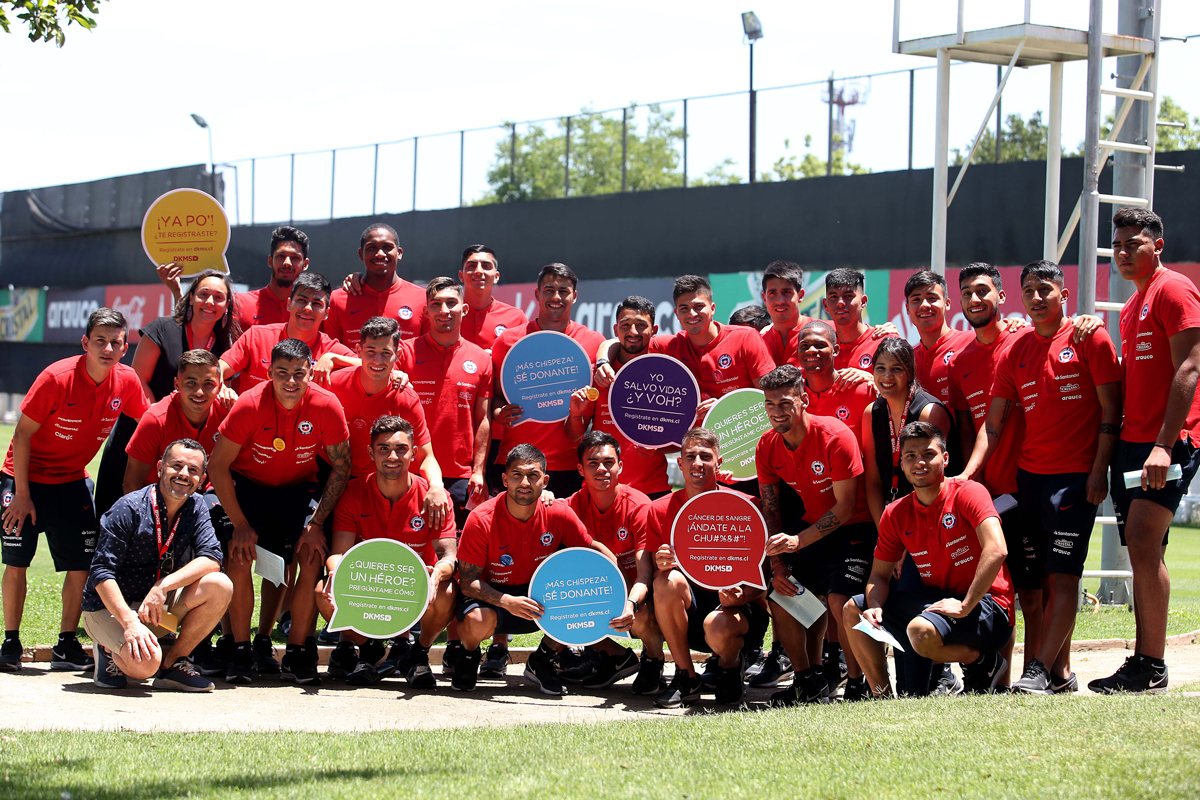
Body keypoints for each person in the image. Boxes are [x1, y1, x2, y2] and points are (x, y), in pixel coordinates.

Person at [965, 260, 1122, 695]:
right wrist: (968, 472)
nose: (1037, 297)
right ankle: (1058, 674)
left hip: (1075, 480)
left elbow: (1113, 410)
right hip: (1027, 482)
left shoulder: (1090, 337)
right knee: (1040, 583)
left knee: (1065, 576)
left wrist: (1098, 472)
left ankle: (1037, 670)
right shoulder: (1016, 350)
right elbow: (992, 425)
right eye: (1029, 290)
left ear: (1064, 294)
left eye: (1046, 289)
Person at [0, 308, 151, 672]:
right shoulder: (56, 377)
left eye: (116, 342)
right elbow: (21, 435)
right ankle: (10, 642)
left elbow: (149, 423)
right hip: (24, 480)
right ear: (86, 343)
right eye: (100, 340)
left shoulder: (126, 381)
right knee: (17, 561)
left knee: (82, 564)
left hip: (72, 480)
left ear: (125, 346)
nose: (108, 348)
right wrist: (21, 495)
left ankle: (66, 644)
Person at [1091, 208, 1200, 694]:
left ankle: (1150, 664)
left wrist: (1163, 446)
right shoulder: (1135, 304)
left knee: (1140, 536)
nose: (1122, 252)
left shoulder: (1173, 289)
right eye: (1117, 245)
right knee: (1143, 546)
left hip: (1169, 442)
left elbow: (1191, 369)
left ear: (1157, 244)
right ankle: (1145, 662)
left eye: (1133, 243)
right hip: (1133, 442)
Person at [208, 338, 351, 684]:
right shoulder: (249, 405)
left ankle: (298, 650)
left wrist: (316, 523)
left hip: (296, 490)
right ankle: (241, 650)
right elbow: (217, 467)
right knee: (239, 555)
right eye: (282, 373)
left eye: (299, 373)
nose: (291, 381)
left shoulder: (326, 405)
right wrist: (240, 523)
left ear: (311, 373)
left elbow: (342, 466)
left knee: (311, 555)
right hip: (248, 487)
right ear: (268, 372)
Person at [842, 422, 1014, 697]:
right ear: (901, 462)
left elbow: (997, 550)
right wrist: (874, 606)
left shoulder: (968, 492)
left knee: (920, 628)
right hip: (936, 602)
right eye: (910, 455)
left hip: (987, 605)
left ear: (944, 458)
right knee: (853, 609)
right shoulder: (896, 512)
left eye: (928, 454)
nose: (919, 462)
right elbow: (879, 576)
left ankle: (982, 661)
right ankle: (881, 696)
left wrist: (966, 605)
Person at [453, 444, 617, 695]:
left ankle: (542, 661)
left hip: (539, 598)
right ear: (505, 479)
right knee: (477, 622)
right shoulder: (481, 518)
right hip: (495, 598)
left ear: (545, 480)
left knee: (579, 594)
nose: (525, 482)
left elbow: (591, 548)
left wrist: (618, 587)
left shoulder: (559, 512)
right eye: (517, 475)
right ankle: (468, 655)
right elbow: (468, 583)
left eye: (533, 475)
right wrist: (507, 601)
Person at [755, 366, 875, 705]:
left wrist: (798, 541)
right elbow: (772, 509)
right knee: (782, 595)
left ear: (804, 400)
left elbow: (846, 507)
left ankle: (856, 682)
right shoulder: (766, 445)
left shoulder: (835, 436)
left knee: (840, 601)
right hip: (809, 532)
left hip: (855, 529)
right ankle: (808, 680)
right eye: (770, 404)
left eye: (785, 403)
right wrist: (778, 565)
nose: (777, 412)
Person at [81, 439, 232, 691]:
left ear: (202, 477)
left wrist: (163, 587)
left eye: (193, 470)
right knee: (144, 666)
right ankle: (107, 648)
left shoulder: (196, 507)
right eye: (177, 466)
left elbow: (212, 558)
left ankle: (172, 665)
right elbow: (101, 572)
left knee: (220, 585)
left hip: (153, 607)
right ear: (160, 467)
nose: (184, 475)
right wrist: (129, 623)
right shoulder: (129, 507)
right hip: (109, 610)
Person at [319, 416, 458, 688]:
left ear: (414, 453)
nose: (392, 456)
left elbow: (449, 556)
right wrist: (335, 571)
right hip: (372, 588)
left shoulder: (434, 498)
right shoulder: (354, 492)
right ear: (371, 452)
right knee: (322, 592)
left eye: (401, 449)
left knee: (449, 591)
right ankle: (376, 651)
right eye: (383, 448)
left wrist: (436, 576)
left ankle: (416, 652)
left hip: (418, 590)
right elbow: (339, 551)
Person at [121, 348, 232, 676]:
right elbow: (131, 482)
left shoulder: (228, 414)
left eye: (209, 384)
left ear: (220, 383)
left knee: (221, 537)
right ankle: (123, 639)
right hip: (155, 508)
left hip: (199, 508)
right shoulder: (155, 418)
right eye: (191, 383)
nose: (200, 391)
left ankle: (204, 646)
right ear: (176, 383)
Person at [93, 269, 239, 517]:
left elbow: (222, 388)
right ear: (191, 298)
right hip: (140, 430)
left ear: (227, 306)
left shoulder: (228, 345)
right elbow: (138, 380)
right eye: (203, 294)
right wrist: (156, 421)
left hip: (186, 447)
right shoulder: (163, 328)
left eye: (218, 297)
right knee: (116, 512)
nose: (210, 302)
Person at [945, 263, 1030, 685]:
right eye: (968, 293)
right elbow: (966, 429)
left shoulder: (1022, 338)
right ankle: (996, 675)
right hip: (984, 490)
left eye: (983, 291)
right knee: (996, 584)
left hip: (1029, 481)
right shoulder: (959, 360)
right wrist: (968, 480)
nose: (975, 299)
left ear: (1001, 297)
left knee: (1035, 586)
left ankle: (1038, 671)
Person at [647, 428, 769, 708]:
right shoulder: (660, 510)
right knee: (665, 581)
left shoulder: (748, 506)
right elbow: (657, 582)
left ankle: (730, 668)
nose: (697, 463)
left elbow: (764, 578)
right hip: (690, 610)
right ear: (680, 463)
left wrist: (742, 597)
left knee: (717, 626)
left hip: (736, 613)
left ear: (719, 462)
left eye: (705, 456)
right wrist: (661, 565)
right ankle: (686, 676)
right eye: (690, 456)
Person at [793, 319, 877, 694]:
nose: (813, 353)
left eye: (820, 346)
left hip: (859, 517)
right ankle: (817, 670)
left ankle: (858, 678)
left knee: (841, 598)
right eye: (805, 347)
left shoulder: (860, 390)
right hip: (814, 520)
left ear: (836, 350)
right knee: (798, 596)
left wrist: (872, 379)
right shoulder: (793, 400)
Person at [490, 263, 606, 498]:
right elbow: (493, 397)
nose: (556, 297)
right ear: (537, 294)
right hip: (515, 463)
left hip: (568, 467)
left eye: (564, 291)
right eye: (549, 290)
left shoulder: (594, 343)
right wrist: (498, 413)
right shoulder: (509, 341)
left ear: (574, 296)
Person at [561, 431, 664, 692]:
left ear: (620, 466)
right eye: (593, 463)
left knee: (642, 616)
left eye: (609, 462)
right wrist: (546, 496)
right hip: (600, 589)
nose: (602, 469)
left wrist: (630, 603)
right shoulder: (571, 505)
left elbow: (644, 574)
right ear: (580, 470)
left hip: (638, 593)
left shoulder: (639, 506)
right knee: (562, 596)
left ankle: (654, 659)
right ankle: (613, 656)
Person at [396, 279, 492, 530]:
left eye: (451, 303)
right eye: (436, 304)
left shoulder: (481, 359)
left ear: (465, 309)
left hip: (460, 475)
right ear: (426, 311)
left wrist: (478, 471)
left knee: (456, 554)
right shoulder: (404, 352)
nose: (444, 310)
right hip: (411, 471)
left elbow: (483, 419)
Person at [571, 296, 671, 498]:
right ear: (616, 330)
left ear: (655, 330)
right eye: (625, 325)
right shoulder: (598, 374)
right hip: (601, 491)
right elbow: (574, 434)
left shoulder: (668, 374)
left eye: (641, 325)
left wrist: (660, 448)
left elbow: (677, 439)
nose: (633, 332)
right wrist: (574, 413)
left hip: (653, 490)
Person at [861, 338, 952, 524]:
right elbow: (873, 482)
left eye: (896, 369)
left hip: (933, 518)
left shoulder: (928, 413)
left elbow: (935, 482)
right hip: (892, 520)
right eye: (880, 368)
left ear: (910, 373)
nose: (887, 376)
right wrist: (885, 533)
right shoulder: (871, 413)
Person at [219, 272, 355, 395]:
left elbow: (368, 365)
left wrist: (333, 358)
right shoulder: (256, 336)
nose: (308, 308)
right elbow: (219, 369)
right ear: (289, 304)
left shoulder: (329, 349)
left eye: (316, 304)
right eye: (302, 300)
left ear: (326, 313)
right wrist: (222, 388)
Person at [324, 223, 427, 348]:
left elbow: (427, 352)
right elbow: (330, 351)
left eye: (387, 247)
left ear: (399, 253)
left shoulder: (422, 299)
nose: (380, 254)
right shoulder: (338, 299)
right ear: (361, 254)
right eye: (372, 248)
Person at [904, 270, 978, 406]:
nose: (925, 305)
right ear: (907, 308)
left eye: (932, 298)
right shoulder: (907, 359)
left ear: (947, 303)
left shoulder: (971, 342)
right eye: (916, 300)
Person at [822, 268, 897, 377]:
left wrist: (872, 381)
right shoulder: (818, 344)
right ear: (825, 305)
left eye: (848, 296)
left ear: (863, 302)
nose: (840, 303)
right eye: (833, 297)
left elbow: (903, 389)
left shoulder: (885, 342)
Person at [234, 226, 311, 330]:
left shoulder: (313, 310)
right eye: (281, 256)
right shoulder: (240, 303)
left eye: (295, 258)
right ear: (270, 260)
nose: (287, 263)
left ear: (305, 264)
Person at [458, 245, 529, 352]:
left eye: (486, 266)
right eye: (472, 266)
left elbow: (528, 355)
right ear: (461, 276)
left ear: (496, 277)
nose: (478, 271)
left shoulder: (516, 318)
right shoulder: (447, 315)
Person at [758, 261, 812, 368]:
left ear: (800, 295)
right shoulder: (759, 342)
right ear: (764, 298)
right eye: (772, 293)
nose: (780, 301)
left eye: (786, 292)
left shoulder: (827, 334)